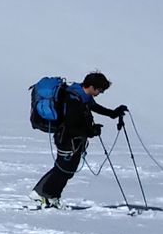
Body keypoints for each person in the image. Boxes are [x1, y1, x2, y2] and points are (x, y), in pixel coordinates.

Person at [34, 71, 127, 206]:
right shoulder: (73, 99)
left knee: (68, 171)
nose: (100, 93)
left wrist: (113, 113)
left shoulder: (83, 95)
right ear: (92, 87)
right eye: (100, 90)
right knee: (62, 169)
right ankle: (40, 193)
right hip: (66, 140)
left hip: (74, 140)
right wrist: (91, 131)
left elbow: (95, 107)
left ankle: (52, 196)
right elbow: (71, 126)